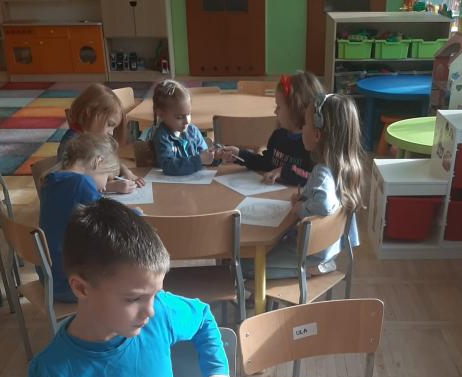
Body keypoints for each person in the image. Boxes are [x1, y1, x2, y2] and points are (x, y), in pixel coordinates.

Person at [27, 198, 231, 377]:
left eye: (155, 294)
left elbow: (202, 317)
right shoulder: (50, 372)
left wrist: (216, 370)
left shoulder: (160, 312)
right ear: (81, 288)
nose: (150, 311)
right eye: (134, 298)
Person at [242, 92, 363, 280]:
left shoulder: (322, 172)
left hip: (311, 254)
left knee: (243, 266)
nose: (302, 128)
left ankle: (309, 270)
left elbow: (324, 205)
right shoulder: (345, 167)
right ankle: (317, 266)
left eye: (305, 124)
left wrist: (301, 207)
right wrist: (306, 197)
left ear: (317, 134)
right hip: (329, 247)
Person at [39, 133, 120, 303]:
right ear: (97, 161)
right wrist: (135, 214)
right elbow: (110, 220)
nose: (105, 187)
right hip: (72, 284)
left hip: (50, 279)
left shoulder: (52, 180)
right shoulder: (81, 183)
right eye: (107, 177)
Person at [223, 71, 324, 186]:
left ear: (296, 109)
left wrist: (284, 171)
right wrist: (239, 155)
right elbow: (266, 163)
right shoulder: (278, 136)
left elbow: (316, 178)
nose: (275, 111)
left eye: (279, 106)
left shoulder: (312, 144)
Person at [57, 83, 143, 194]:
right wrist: (111, 187)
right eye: (109, 124)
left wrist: (125, 171)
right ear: (90, 113)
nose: (111, 133)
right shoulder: (72, 144)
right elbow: (72, 185)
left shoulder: (94, 139)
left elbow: (106, 163)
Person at [147, 79, 218, 175]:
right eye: (179, 117)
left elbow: (205, 157)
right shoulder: (162, 136)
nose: (187, 121)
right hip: (169, 183)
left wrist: (216, 156)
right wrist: (200, 160)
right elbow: (168, 167)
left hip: (195, 181)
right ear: (160, 114)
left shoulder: (193, 131)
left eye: (188, 114)